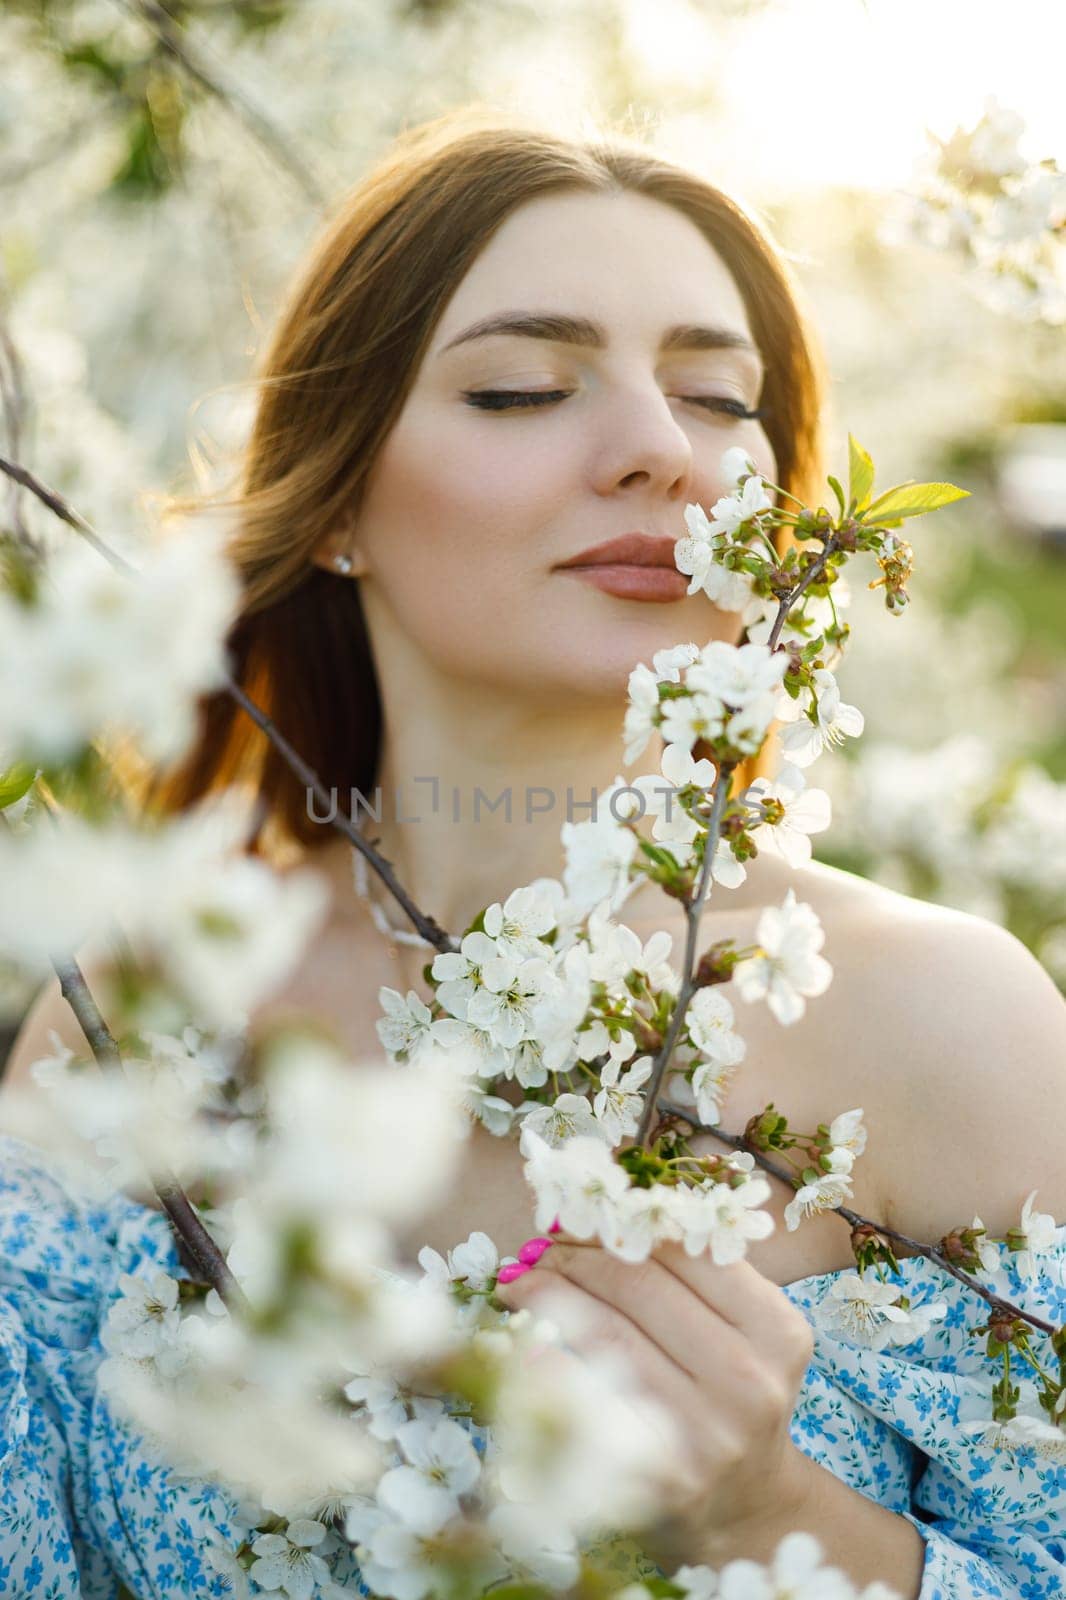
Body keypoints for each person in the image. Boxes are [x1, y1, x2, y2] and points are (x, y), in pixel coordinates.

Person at [3, 105, 1066, 1600]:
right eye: (517, 390)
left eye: (715, 396)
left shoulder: (949, 1028)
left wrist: (766, 1515)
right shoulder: (136, 1013)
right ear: (338, 504)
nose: (657, 453)